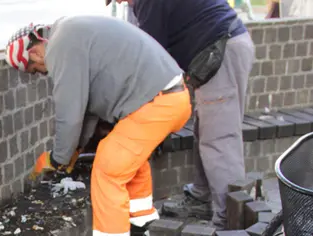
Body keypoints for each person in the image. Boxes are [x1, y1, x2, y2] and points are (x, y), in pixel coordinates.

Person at [5, 16, 192, 235]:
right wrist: (76, 149)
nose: (42, 73)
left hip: (156, 103)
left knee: (108, 170)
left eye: (35, 69)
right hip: (171, 98)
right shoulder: (70, 32)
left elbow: (70, 111)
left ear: (34, 53)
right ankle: (142, 222)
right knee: (129, 158)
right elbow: (88, 110)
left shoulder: (60, 47)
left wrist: (57, 159)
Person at [109, 0, 255, 230]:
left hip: (221, 50)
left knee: (219, 139)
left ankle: (231, 221)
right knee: (207, 129)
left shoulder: (148, 3)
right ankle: (202, 197)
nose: (119, 2)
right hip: (218, 49)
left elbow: (149, 57)